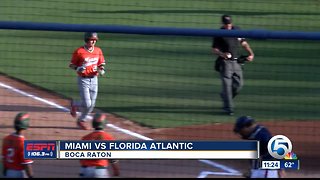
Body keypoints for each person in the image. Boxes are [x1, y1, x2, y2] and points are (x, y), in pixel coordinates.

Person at [212, 15, 254, 115]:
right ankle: (228, 108)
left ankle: (225, 96)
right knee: (227, 85)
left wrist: (251, 53)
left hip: (236, 62)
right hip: (225, 62)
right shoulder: (219, 33)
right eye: (226, 24)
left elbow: (244, 43)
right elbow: (214, 49)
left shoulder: (237, 30)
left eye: (229, 24)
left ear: (232, 22)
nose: (228, 26)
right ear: (223, 24)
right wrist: (222, 54)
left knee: (239, 85)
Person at [69, 32, 106, 130]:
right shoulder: (79, 51)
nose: (93, 41)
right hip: (83, 80)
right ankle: (75, 105)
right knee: (87, 104)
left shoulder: (98, 50)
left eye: (95, 40)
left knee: (92, 105)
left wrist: (101, 69)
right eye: (91, 39)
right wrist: (78, 69)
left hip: (94, 80)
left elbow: (100, 64)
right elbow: (71, 64)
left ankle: (81, 119)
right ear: (86, 40)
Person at [79, 113, 120, 178]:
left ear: (93, 124)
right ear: (104, 124)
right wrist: (116, 170)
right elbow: (112, 158)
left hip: (84, 170)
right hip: (99, 170)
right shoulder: (108, 138)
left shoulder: (85, 138)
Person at [2, 112, 34, 178]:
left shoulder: (6, 139)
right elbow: (27, 165)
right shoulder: (23, 143)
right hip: (19, 173)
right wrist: (31, 176)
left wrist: (5, 171)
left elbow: (3, 158)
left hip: (8, 172)